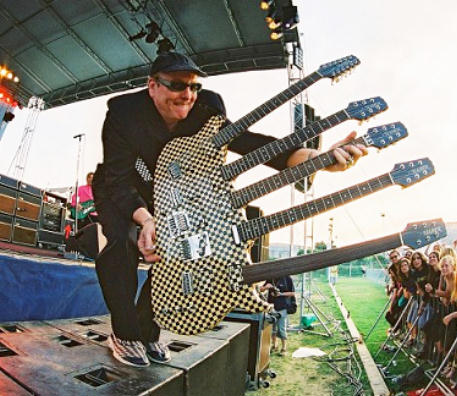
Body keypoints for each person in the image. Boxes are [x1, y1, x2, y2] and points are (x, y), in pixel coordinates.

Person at [92, 51, 369, 367]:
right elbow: (118, 179)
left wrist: (322, 161)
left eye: (194, 87)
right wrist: (145, 220)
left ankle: (146, 330)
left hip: (173, 198)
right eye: (177, 86)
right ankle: (124, 333)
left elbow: (260, 147)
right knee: (120, 245)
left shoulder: (207, 111)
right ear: (152, 85)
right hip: (122, 188)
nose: (188, 95)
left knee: (180, 257)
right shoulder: (123, 112)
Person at [263, 276, 296, 356]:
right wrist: (265, 287)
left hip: (282, 307)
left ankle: (284, 348)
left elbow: (293, 293)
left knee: (281, 328)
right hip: (271, 307)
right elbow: (260, 289)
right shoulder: (270, 278)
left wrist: (280, 294)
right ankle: (275, 345)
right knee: (272, 329)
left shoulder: (288, 278)